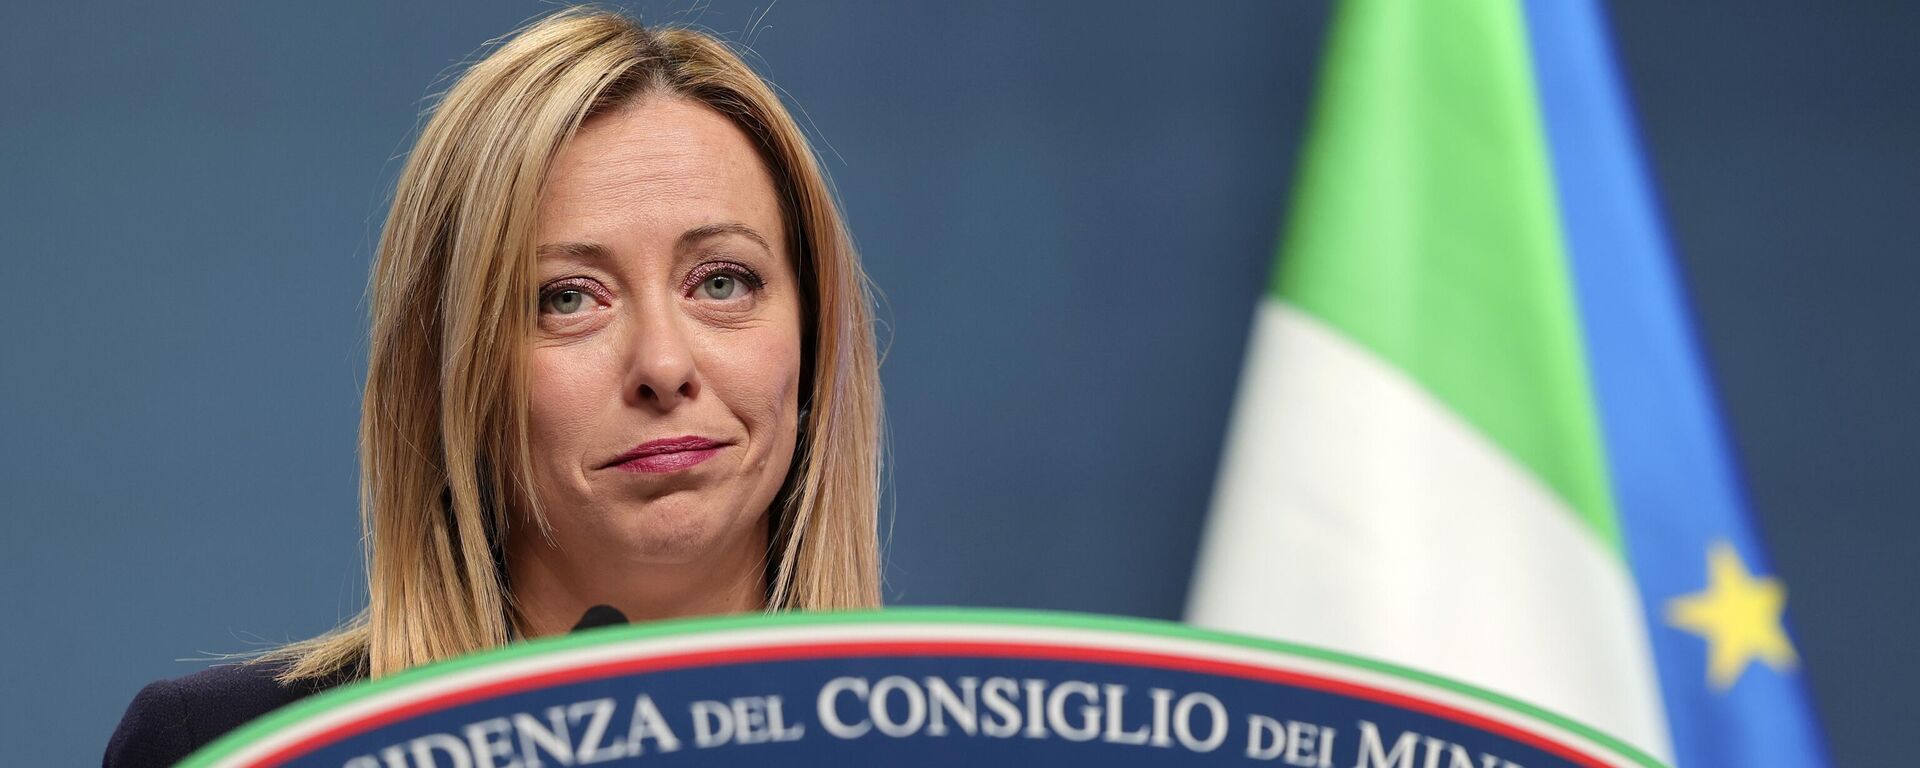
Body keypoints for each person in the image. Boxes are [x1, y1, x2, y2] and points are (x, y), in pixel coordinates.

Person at [103, 8, 883, 765]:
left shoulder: (948, 731)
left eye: (721, 282)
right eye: (566, 298)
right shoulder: (231, 752)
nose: (663, 366)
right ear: (456, 376)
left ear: (813, 338)